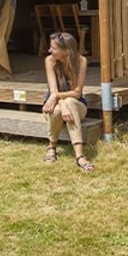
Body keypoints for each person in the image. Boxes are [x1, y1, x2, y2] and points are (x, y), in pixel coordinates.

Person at [42, 32, 95, 171]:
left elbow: (77, 93)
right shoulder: (50, 61)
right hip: (53, 107)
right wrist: (62, 104)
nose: (49, 50)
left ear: (65, 51)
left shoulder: (81, 61)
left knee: (70, 102)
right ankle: (52, 147)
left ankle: (79, 155)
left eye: (53, 48)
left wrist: (63, 102)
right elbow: (53, 92)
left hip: (77, 106)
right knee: (58, 109)